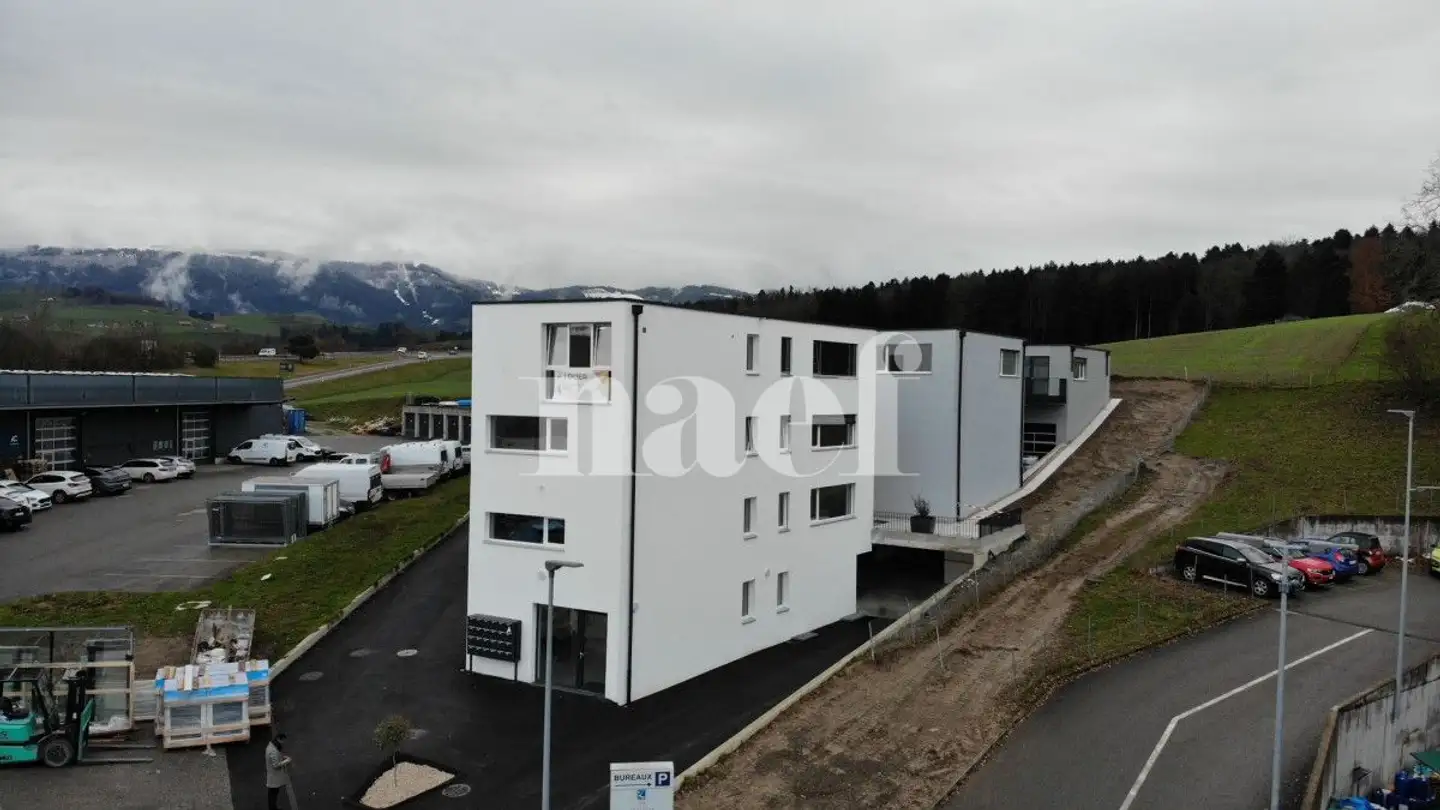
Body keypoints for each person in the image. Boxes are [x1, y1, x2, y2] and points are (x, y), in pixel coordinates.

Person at [265, 732, 292, 810]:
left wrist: (282, 757)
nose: (283, 742)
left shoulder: (271, 746)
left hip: (273, 776)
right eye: (283, 740)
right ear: (278, 739)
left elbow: (276, 757)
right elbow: (276, 765)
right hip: (274, 777)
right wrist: (287, 761)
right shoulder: (273, 750)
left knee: (273, 794)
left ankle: (273, 808)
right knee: (273, 794)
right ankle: (273, 808)